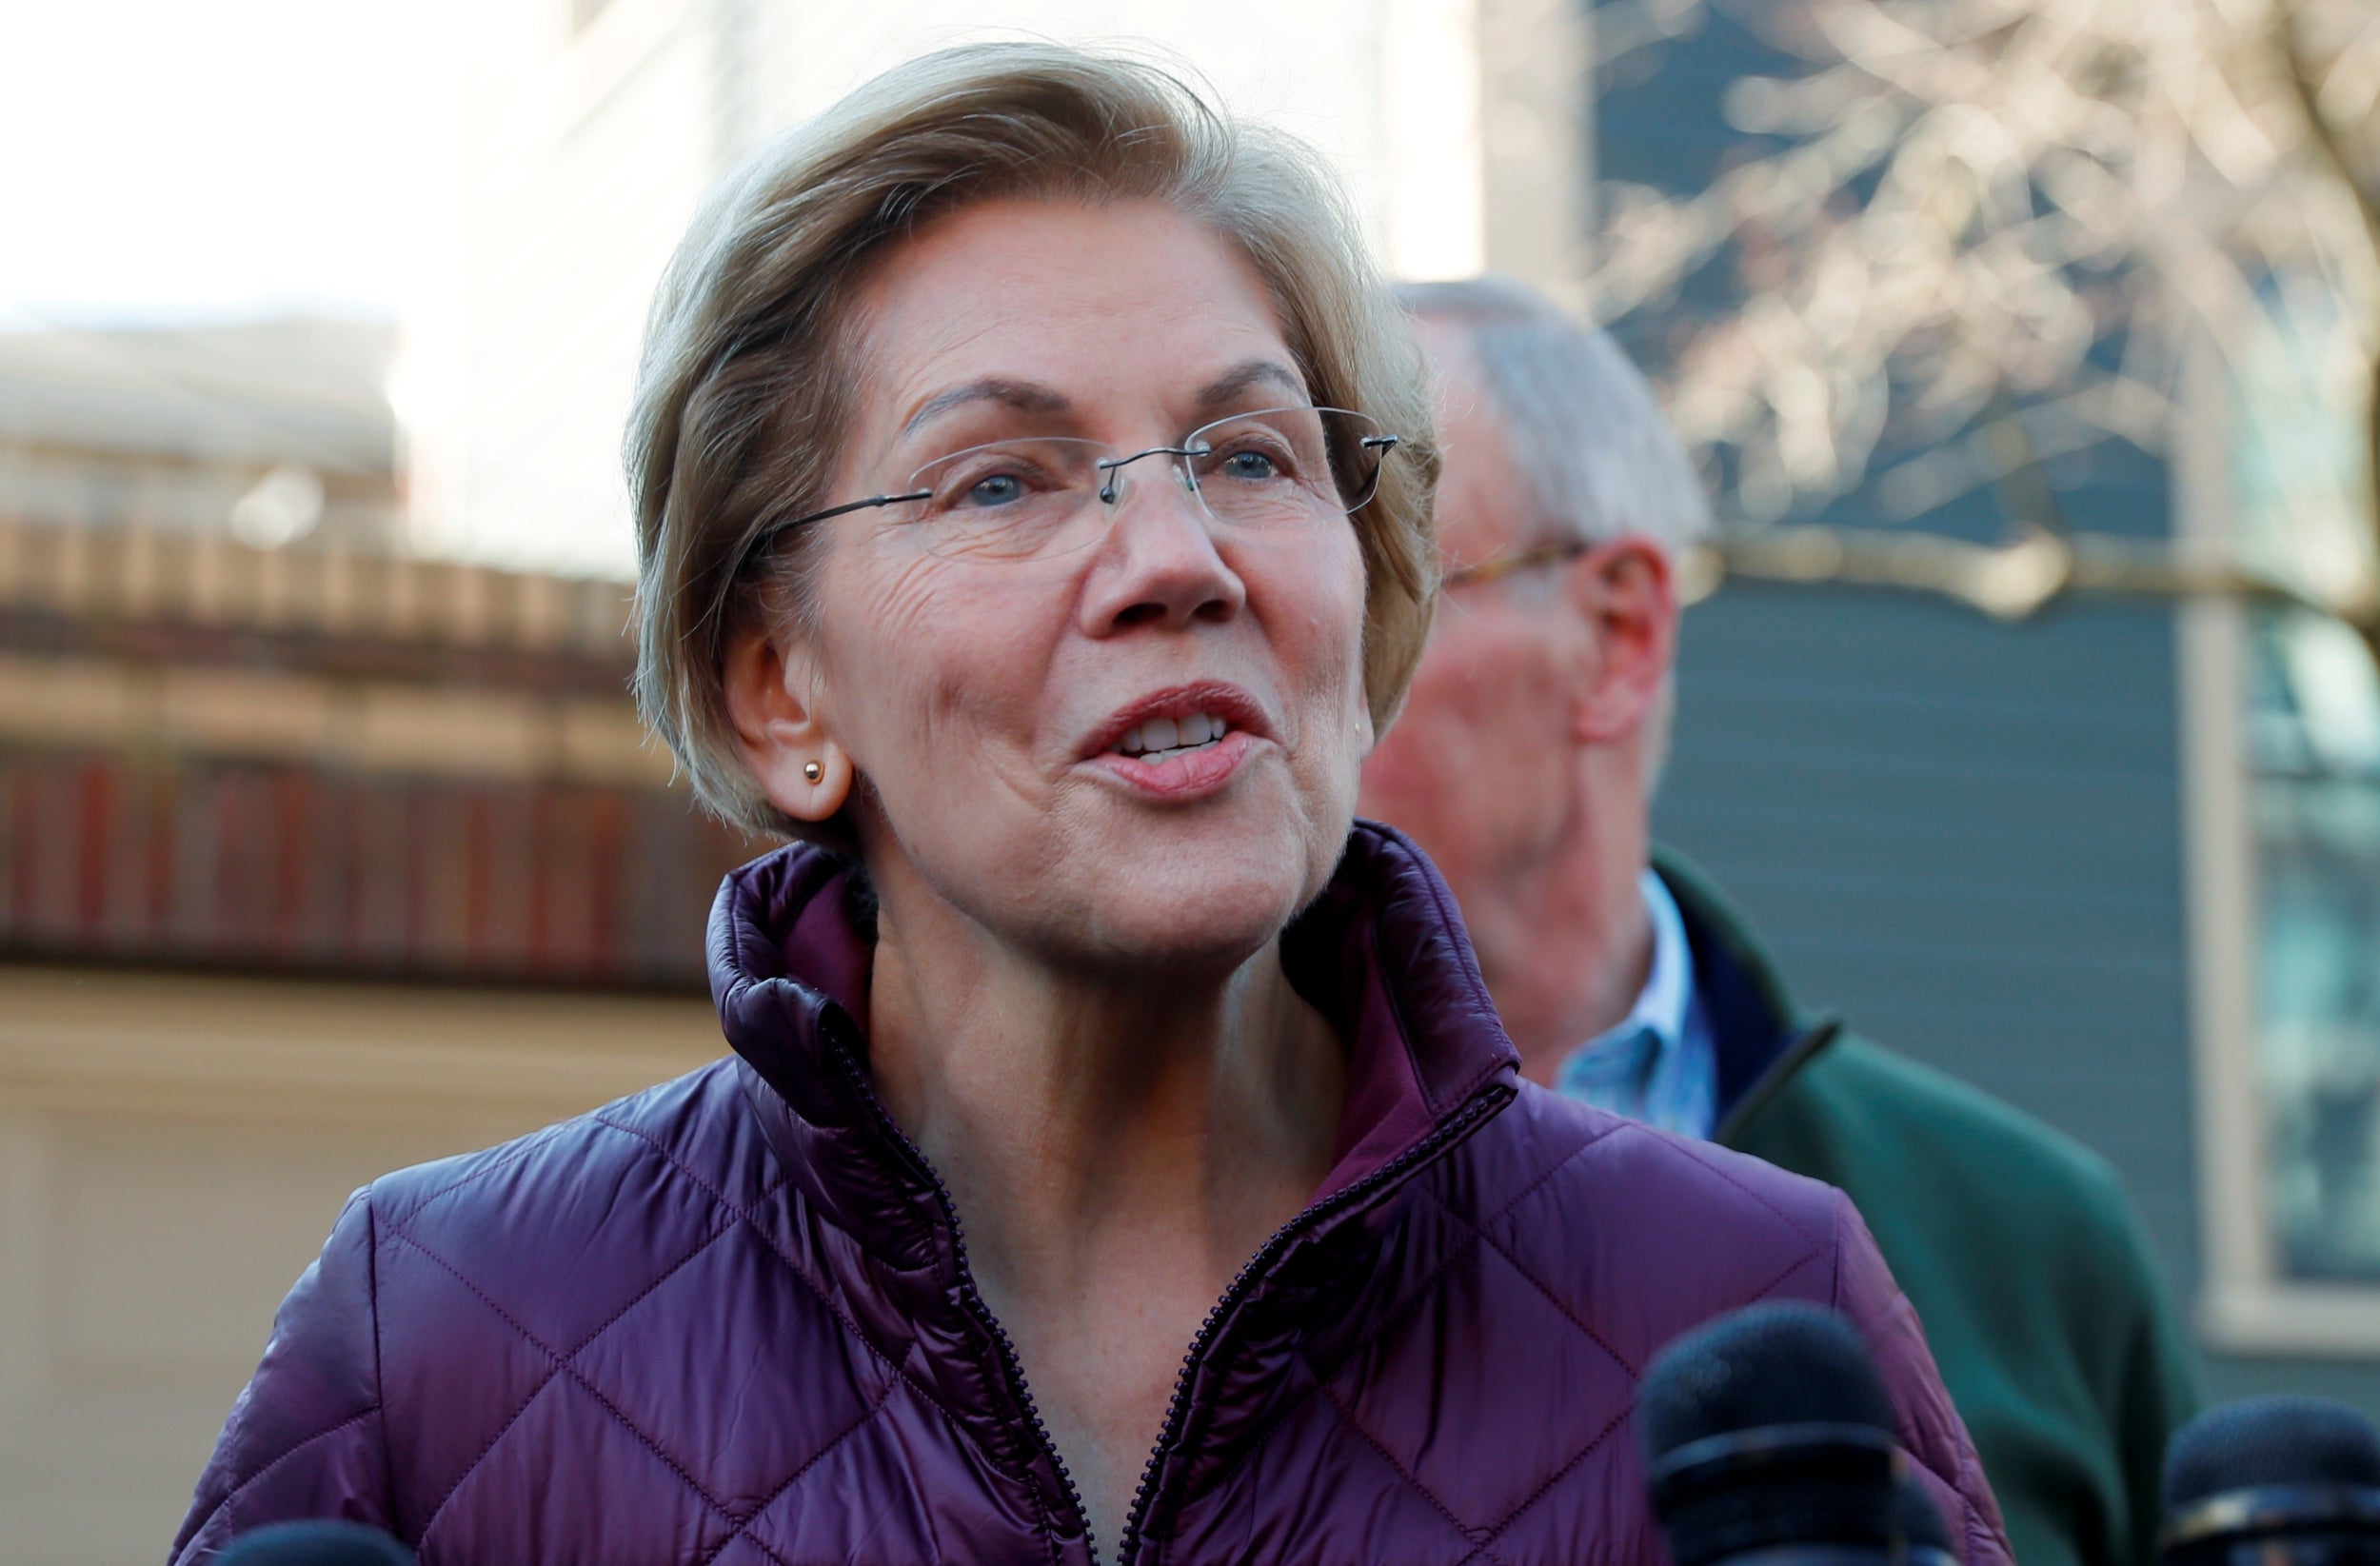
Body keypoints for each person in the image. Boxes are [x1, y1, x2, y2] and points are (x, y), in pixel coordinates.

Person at [172, 49, 2011, 1566]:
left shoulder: (1759, 1305)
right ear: (779, 688)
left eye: (1248, 453)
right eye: (998, 482)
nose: (1175, 556)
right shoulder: (446, 1339)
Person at [1359, 274, 2197, 1566]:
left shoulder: (2031, 1241)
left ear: (1614, 632)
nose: (1277, 659)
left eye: (1373, 585)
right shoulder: (1135, 1217)